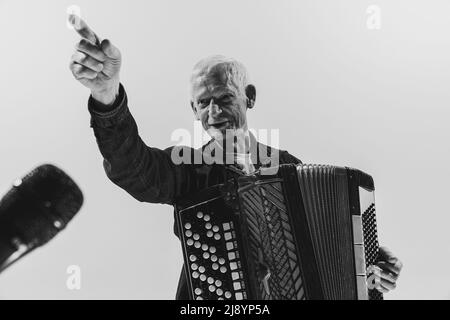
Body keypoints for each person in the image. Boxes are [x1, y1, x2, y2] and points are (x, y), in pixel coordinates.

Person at [68, 16, 403, 299]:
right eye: (202, 103)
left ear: (250, 97)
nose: (213, 112)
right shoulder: (188, 168)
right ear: (193, 109)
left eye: (224, 97)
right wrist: (106, 95)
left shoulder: (289, 167)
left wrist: (367, 268)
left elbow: (327, 253)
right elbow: (133, 168)